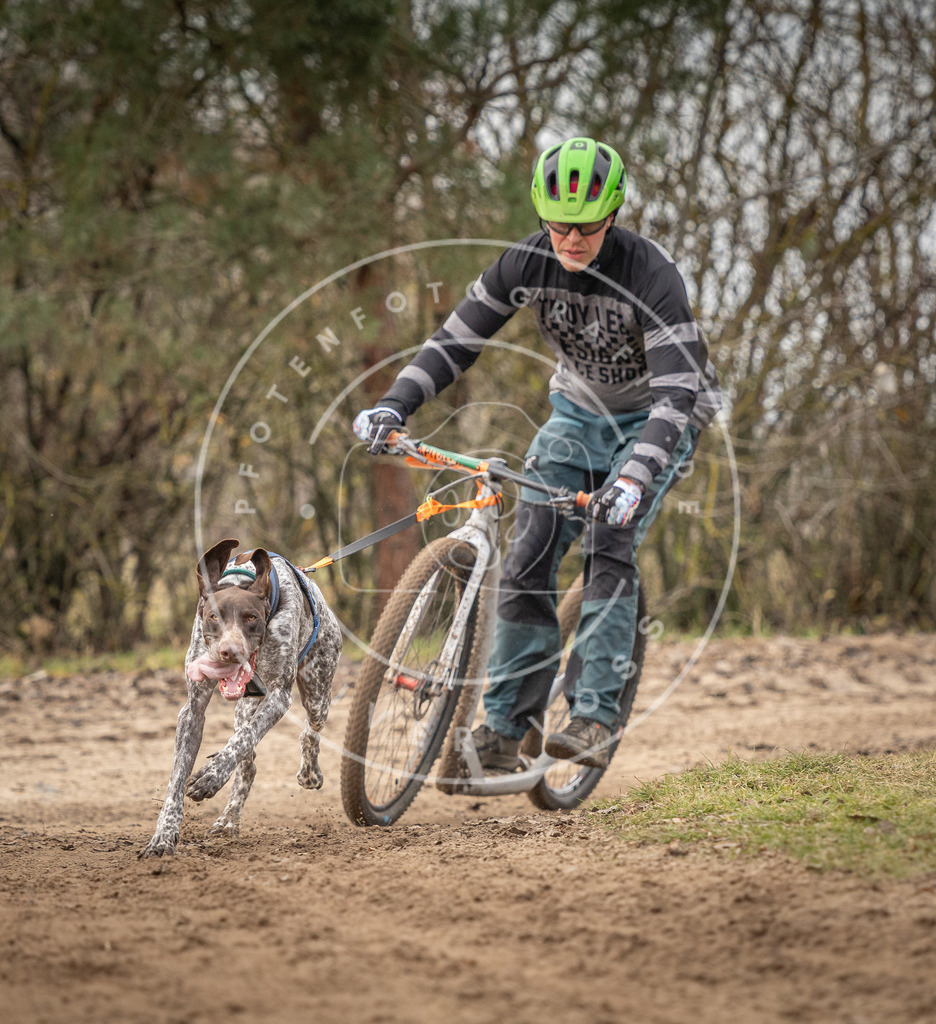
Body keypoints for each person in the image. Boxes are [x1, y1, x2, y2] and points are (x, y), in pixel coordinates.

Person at [353, 136, 721, 772]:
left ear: (611, 216)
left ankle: (594, 716)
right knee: (530, 549)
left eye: (585, 227)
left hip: (661, 416)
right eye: (558, 226)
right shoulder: (523, 263)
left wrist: (633, 475)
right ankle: (500, 729)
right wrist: (394, 405)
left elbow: (676, 393)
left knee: (610, 538)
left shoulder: (651, 274)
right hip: (577, 410)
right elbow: (454, 343)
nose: (571, 240)